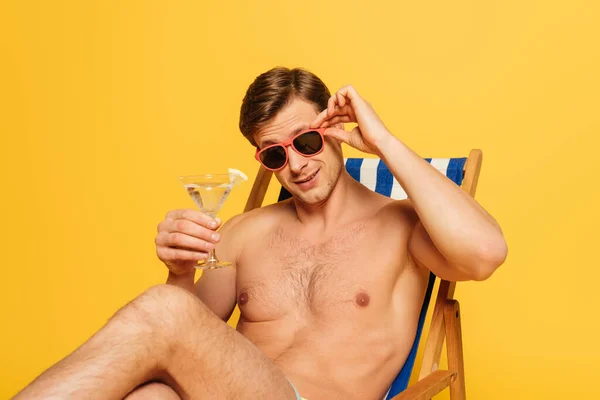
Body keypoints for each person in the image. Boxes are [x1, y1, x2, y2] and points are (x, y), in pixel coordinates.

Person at [14, 67, 507, 400]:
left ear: (335, 129)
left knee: (162, 312)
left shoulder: (403, 228)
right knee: (153, 395)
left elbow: (485, 254)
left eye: (307, 141)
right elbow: (180, 337)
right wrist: (180, 272)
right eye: (274, 155)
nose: (294, 165)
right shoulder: (244, 233)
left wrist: (381, 140)